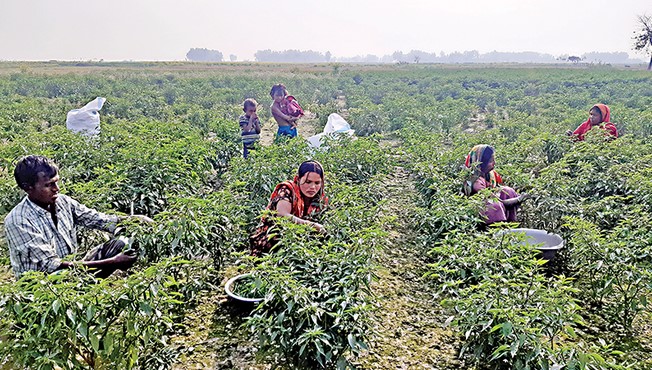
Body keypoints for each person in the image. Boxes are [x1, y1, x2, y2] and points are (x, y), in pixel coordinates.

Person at [4, 155, 153, 278]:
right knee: (63, 276)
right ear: (27, 187)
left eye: (56, 182)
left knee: (121, 243)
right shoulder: (19, 220)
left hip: (71, 270)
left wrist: (134, 221)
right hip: (45, 285)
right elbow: (52, 265)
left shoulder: (63, 202)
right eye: (49, 185)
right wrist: (113, 262)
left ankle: (86, 289)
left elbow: (99, 220)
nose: (57, 189)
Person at [250, 161, 328, 256]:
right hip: (272, 242)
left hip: (299, 244)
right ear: (298, 179)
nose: (312, 187)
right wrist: (312, 225)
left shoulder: (320, 198)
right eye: (308, 182)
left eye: (317, 183)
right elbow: (282, 215)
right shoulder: (288, 189)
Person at [463, 145, 529, 225]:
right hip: (479, 215)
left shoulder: (490, 175)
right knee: (495, 205)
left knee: (507, 191)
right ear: (481, 163)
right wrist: (519, 199)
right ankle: (498, 231)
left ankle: (511, 224)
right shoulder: (475, 181)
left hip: (495, 204)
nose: (494, 163)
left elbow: (500, 194)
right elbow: (500, 202)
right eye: (491, 161)